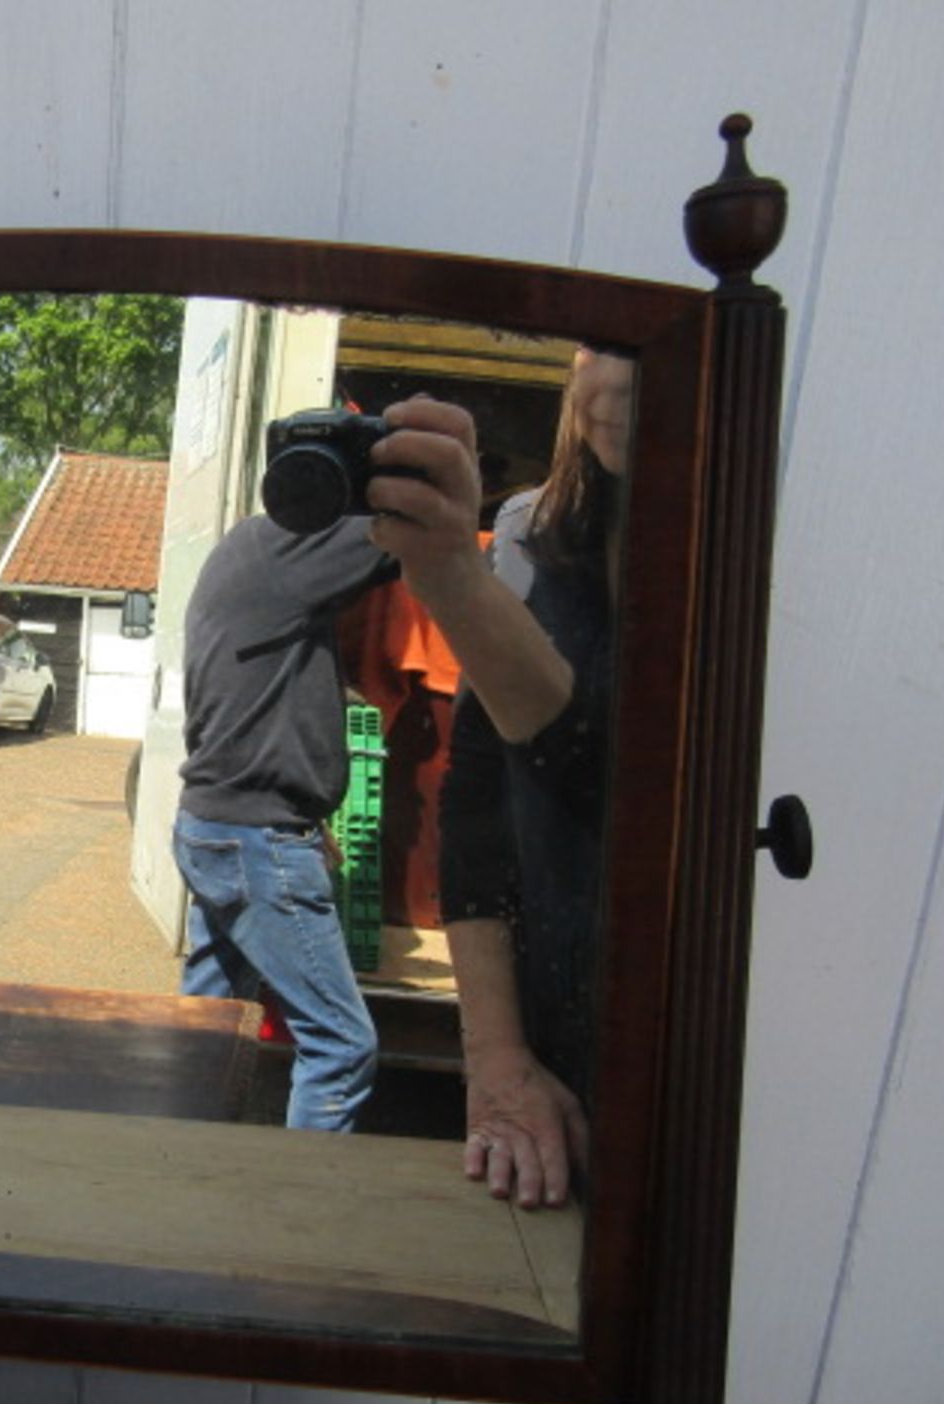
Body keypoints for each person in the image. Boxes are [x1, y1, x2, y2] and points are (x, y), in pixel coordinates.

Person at [365, 348, 634, 1209]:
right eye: (595, 345)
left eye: (639, 344)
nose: (608, 375)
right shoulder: (529, 532)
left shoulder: (759, 546)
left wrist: (451, 581)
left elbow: (628, 792)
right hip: (550, 1053)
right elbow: (479, 791)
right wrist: (498, 1062)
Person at [171, 504, 398, 1132]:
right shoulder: (294, 542)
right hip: (255, 838)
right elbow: (412, 529)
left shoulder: (248, 548)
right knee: (340, 1045)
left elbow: (256, 699)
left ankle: (181, 1168)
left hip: (217, 821)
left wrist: (298, 809)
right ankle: (300, 1208)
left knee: (210, 1024)